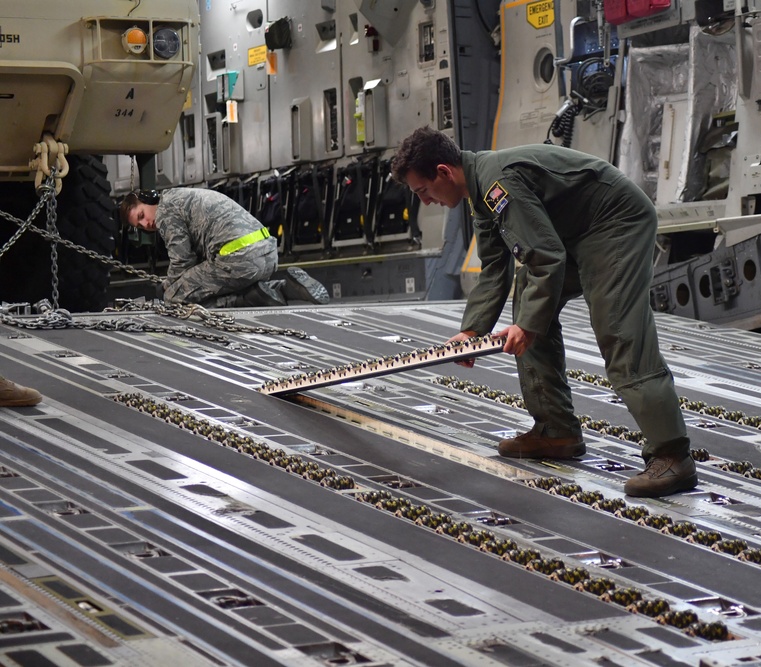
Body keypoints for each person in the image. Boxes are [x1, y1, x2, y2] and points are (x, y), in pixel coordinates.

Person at [390, 127, 696, 498]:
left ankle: (672, 455)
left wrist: (528, 327)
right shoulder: (479, 192)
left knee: (619, 331)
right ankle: (557, 430)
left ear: (443, 172)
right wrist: (471, 332)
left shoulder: (497, 184)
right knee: (528, 306)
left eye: (423, 191)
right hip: (575, 233)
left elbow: (545, 257)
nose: (427, 202)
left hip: (615, 224)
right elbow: (493, 270)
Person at [120, 188, 329, 308]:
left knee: (174, 297)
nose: (146, 224)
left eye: (141, 215)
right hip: (267, 254)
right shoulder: (182, 197)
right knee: (211, 279)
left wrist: (169, 285)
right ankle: (285, 288)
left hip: (240, 259)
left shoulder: (165, 212)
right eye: (139, 225)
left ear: (149, 199)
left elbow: (182, 260)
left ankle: (247, 299)